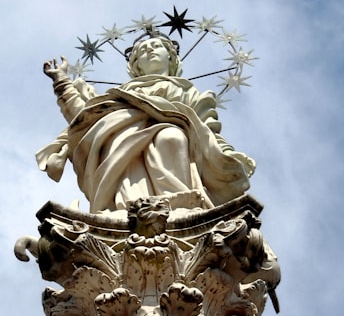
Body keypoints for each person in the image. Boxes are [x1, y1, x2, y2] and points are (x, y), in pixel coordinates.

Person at [37, 32, 255, 213]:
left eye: (156, 46)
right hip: (119, 146)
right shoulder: (121, 96)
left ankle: (179, 204)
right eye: (142, 51)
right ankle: (125, 209)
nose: (149, 50)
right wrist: (63, 83)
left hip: (173, 143)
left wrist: (228, 157)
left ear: (171, 59)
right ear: (137, 66)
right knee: (125, 141)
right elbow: (86, 119)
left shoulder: (187, 92)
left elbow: (207, 128)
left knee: (172, 136)